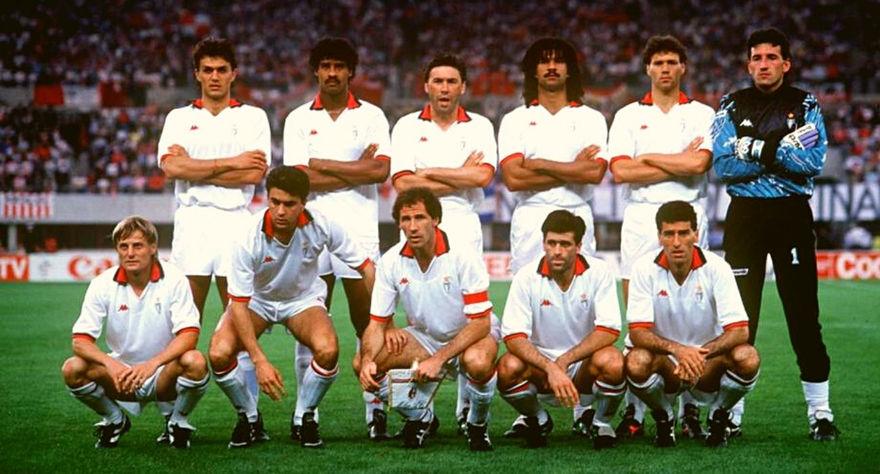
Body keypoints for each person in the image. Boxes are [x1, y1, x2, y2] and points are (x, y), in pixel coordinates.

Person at [712, 27, 839, 440]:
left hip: (791, 215)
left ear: (786, 63)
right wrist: (780, 150)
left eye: (771, 57)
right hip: (745, 217)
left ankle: (820, 413)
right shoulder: (731, 104)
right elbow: (724, 166)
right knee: (739, 319)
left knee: (803, 317)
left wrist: (752, 148)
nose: (763, 64)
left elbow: (812, 162)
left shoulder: (806, 103)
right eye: (756, 58)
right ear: (748, 64)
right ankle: (731, 413)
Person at [208, 166, 375, 449]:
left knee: (328, 350)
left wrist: (384, 318)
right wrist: (259, 360)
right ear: (267, 199)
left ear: (304, 203)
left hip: (302, 301)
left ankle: (304, 416)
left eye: (289, 204)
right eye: (275, 202)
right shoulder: (246, 236)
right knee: (218, 353)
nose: (281, 211)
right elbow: (238, 304)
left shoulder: (322, 224)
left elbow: (367, 267)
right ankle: (249, 417)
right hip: (257, 301)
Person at [158, 36, 270, 432]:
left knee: (238, 321)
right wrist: (230, 162)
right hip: (191, 222)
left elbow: (254, 173)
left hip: (235, 221)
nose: (215, 76)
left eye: (222, 69)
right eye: (207, 70)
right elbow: (172, 168)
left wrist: (198, 167)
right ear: (197, 74)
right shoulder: (178, 117)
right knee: (182, 323)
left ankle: (249, 415)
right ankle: (173, 417)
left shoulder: (253, 117)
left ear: (234, 73)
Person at [498, 36, 608, 437]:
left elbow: (594, 172)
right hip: (530, 218)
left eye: (558, 61)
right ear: (532, 70)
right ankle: (531, 409)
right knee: (528, 305)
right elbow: (513, 178)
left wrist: (539, 163)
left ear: (569, 69)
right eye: (543, 61)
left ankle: (584, 406)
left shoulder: (591, 118)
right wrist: (569, 167)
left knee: (582, 303)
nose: (551, 67)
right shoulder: (515, 119)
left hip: (577, 214)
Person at [283, 37, 391, 441]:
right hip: (309, 229)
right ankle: (305, 412)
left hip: (359, 229)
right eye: (325, 66)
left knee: (368, 321)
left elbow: (379, 171)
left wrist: (321, 165)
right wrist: (354, 168)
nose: (332, 73)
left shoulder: (372, 115)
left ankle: (375, 410)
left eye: (339, 66)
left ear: (351, 72)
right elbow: (297, 180)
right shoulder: (297, 118)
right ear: (316, 70)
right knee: (309, 320)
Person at [608, 35, 715, 440]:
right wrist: (678, 161)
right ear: (647, 69)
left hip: (689, 213)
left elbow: (699, 164)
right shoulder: (627, 115)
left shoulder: (703, 113)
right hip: (640, 215)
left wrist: (648, 157)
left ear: (683, 67)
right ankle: (636, 407)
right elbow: (622, 171)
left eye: (672, 62)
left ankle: (691, 407)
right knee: (638, 310)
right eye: (658, 63)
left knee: (694, 311)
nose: (665, 69)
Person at [390, 53, 497, 432]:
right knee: (421, 312)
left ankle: (467, 409)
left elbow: (482, 177)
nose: (445, 88)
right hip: (417, 221)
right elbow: (402, 183)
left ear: (463, 87)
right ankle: (423, 408)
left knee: (467, 313)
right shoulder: (407, 126)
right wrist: (459, 174)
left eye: (452, 81)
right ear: (426, 86)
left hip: (463, 222)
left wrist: (430, 171)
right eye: (438, 81)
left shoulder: (480, 125)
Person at [358, 188, 498, 451]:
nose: (413, 227)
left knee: (478, 363)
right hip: (425, 337)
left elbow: (481, 322)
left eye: (420, 217)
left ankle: (477, 424)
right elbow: (376, 324)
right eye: (406, 219)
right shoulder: (390, 261)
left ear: (435, 219)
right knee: (364, 364)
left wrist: (439, 359)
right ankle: (421, 416)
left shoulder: (463, 255)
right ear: (399, 224)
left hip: (470, 335)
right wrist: (367, 360)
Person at [61, 216, 207, 449]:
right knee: (72, 368)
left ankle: (177, 421)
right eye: (124, 246)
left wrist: (152, 364)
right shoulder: (101, 283)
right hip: (121, 376)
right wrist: (111, 364)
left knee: (195, 361)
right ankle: (114, 419)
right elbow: (80, 341)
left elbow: (190, 334)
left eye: (137, 246)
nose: (130, 253)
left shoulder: (175, 279)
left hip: (162, 373)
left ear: (153, 248)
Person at [625, 201, 761, 448]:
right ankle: (664, 415)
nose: (676, 242)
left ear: (696, 235)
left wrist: (698, 354)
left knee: (748, 357)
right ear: (659, 237)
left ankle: (719, 414)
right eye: (669, 234)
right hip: (666, 363)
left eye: (684, 233)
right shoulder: (643, 268)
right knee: (636, 361)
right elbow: (637, 332)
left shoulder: (718, 268)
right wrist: (679, 351)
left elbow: (740, 330)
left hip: (705, 362)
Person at [498, 210, 624, 449]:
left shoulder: (599, 272)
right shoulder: (525, 277)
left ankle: (600, 423)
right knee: (507, 366)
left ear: (579, 246)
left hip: (582, 365)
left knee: (614, 361)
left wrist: (564, 362)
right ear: (543, 243)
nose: (557, 251)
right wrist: (551, 368)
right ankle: (538, 419)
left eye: (565, 244)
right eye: (551, 243)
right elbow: (513, 337)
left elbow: (609, 329)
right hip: (540, 367)